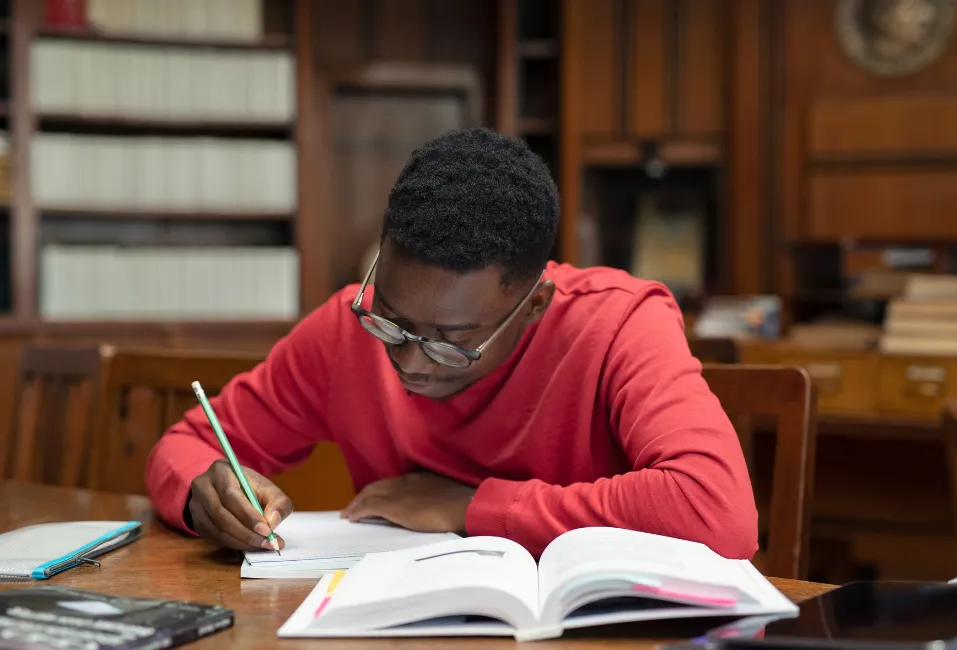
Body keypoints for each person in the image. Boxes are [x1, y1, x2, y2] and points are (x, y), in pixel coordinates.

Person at [144, 127, 758, 560]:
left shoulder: (619, 323)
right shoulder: (344, 330)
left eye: (452, 342)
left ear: (534, 305)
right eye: (390, 319)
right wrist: (206, 495)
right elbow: (186, 445)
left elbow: (716, 510)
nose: (409, 361)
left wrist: (473, 509)